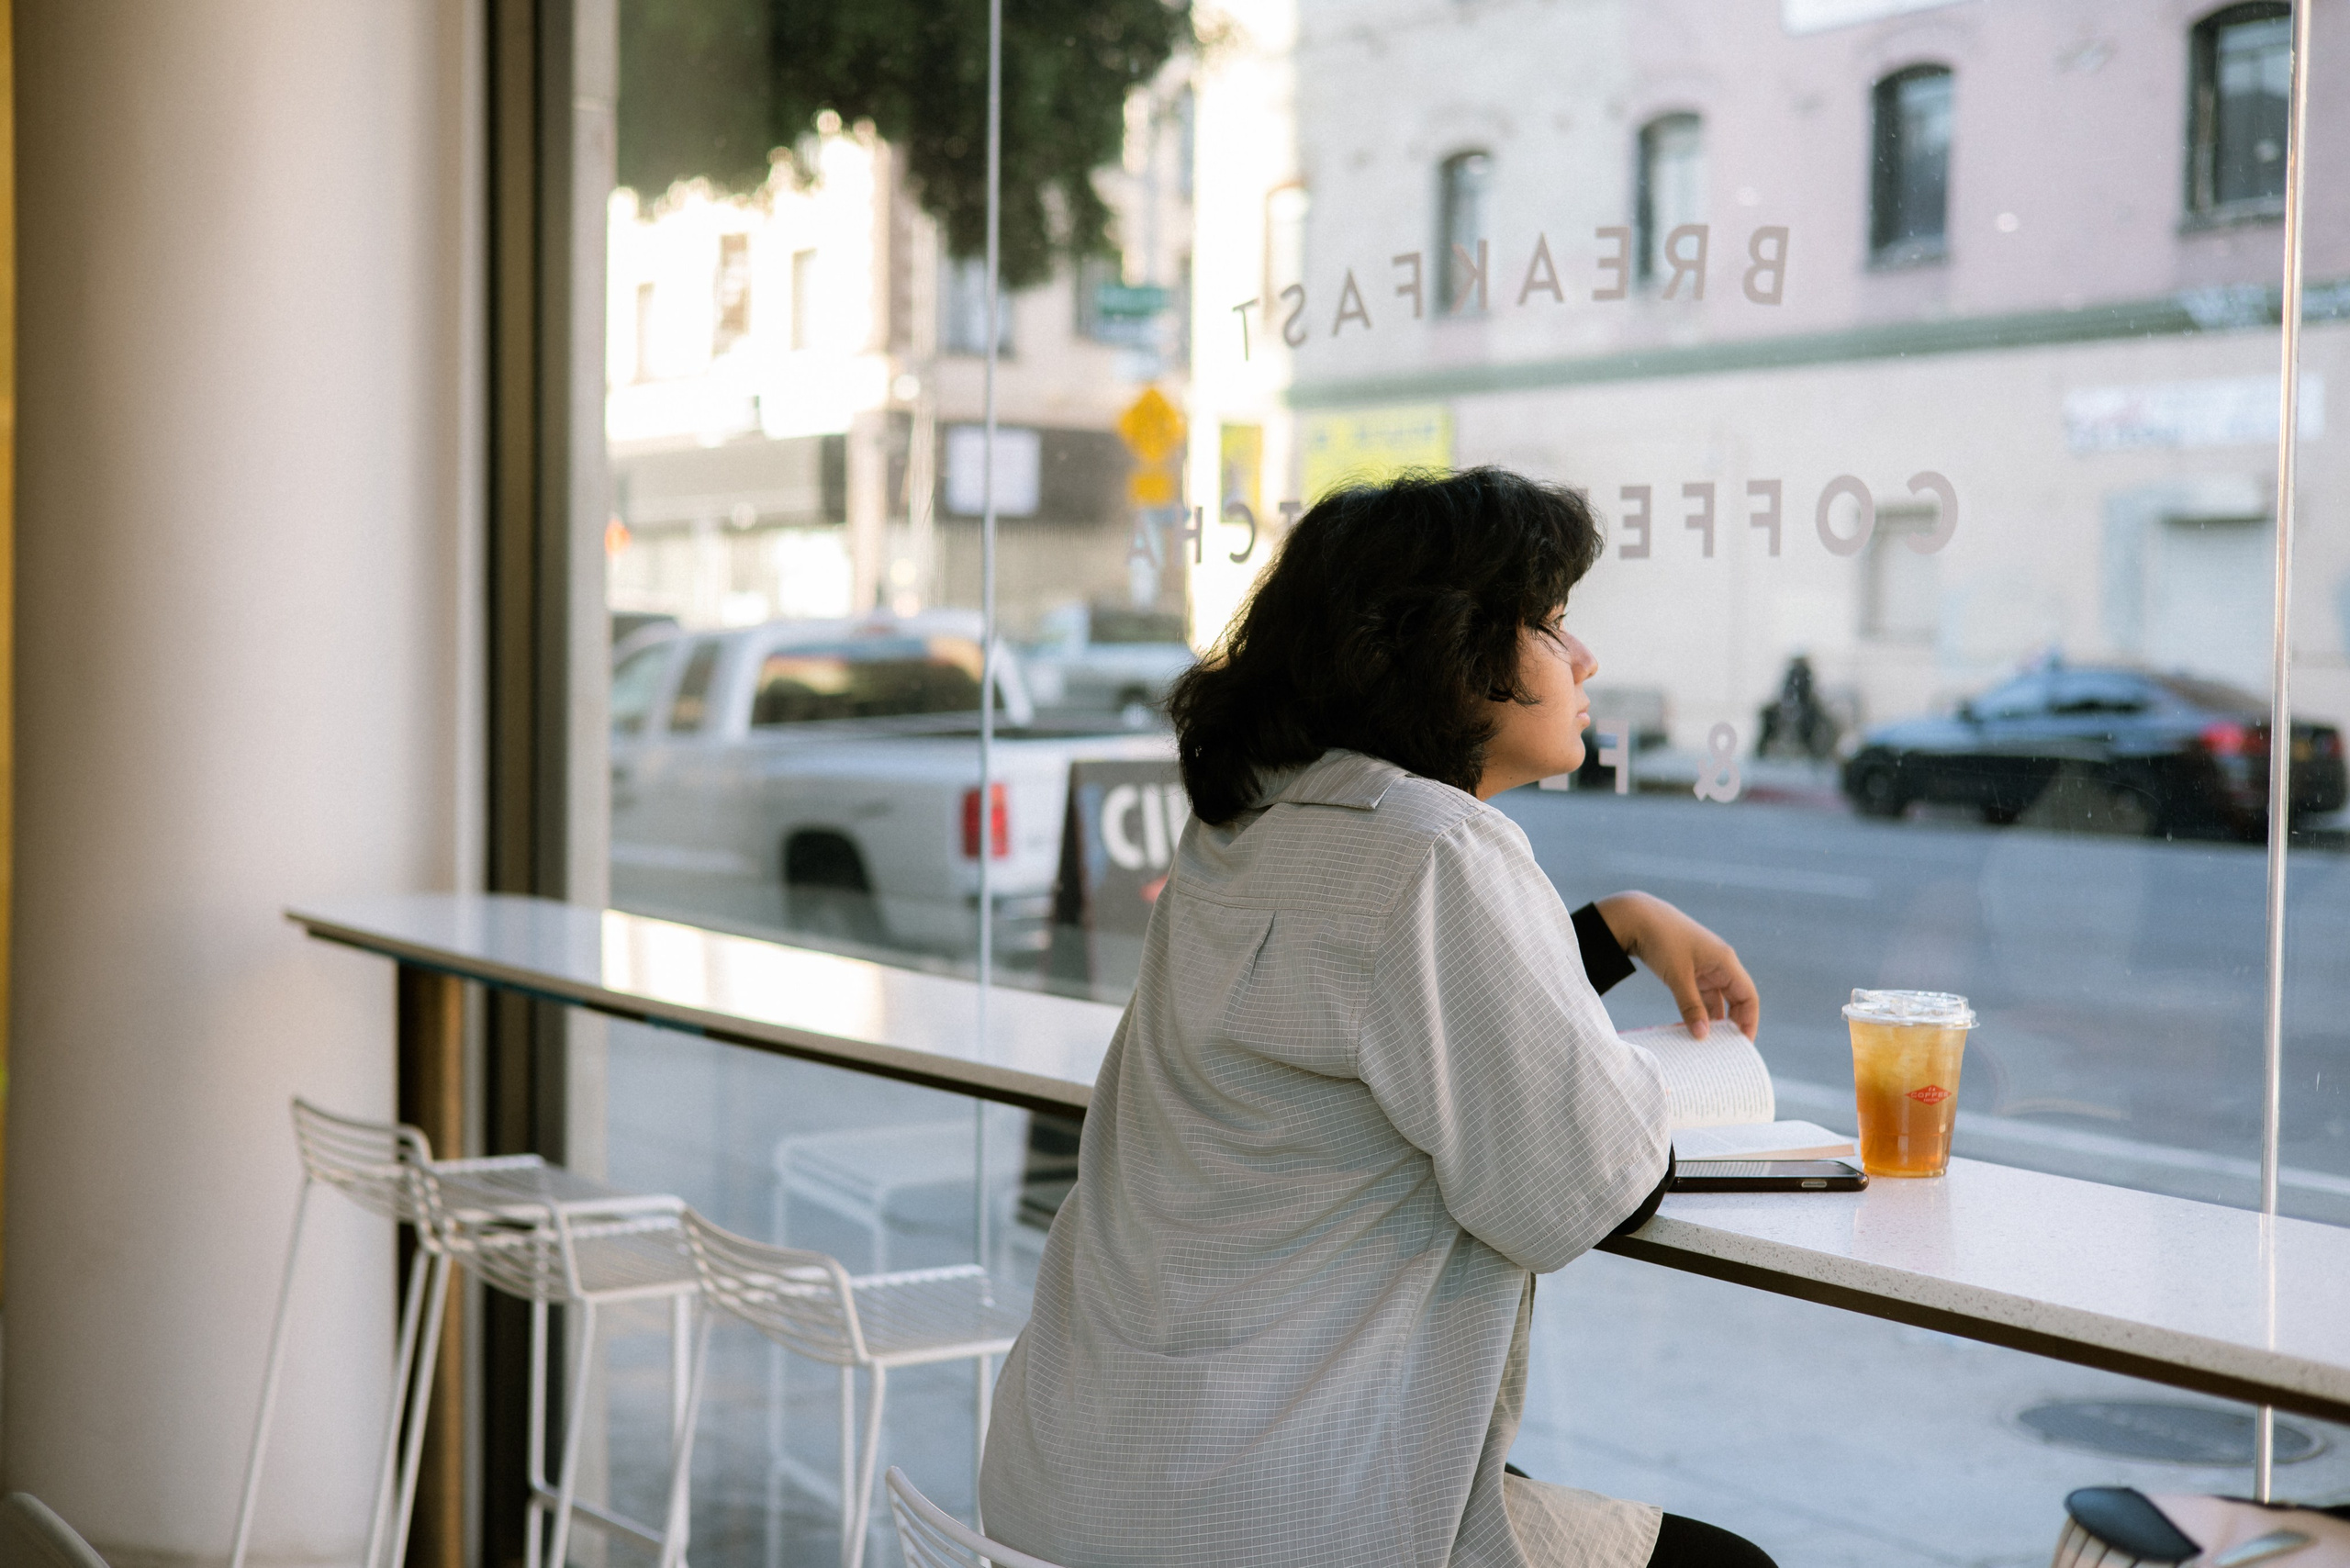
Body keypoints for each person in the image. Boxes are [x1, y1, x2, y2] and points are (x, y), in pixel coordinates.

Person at [980, 468, 1775, 1568]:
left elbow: (1386, 1010)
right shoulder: (1434, 851)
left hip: (1070, 1477)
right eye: (1548, 624)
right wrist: (1675, 1079)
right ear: (1448, 656)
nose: (1584, 658)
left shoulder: (1255, 818)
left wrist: (1617, 926)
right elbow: (1577, 1190)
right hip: (1256, 1517)